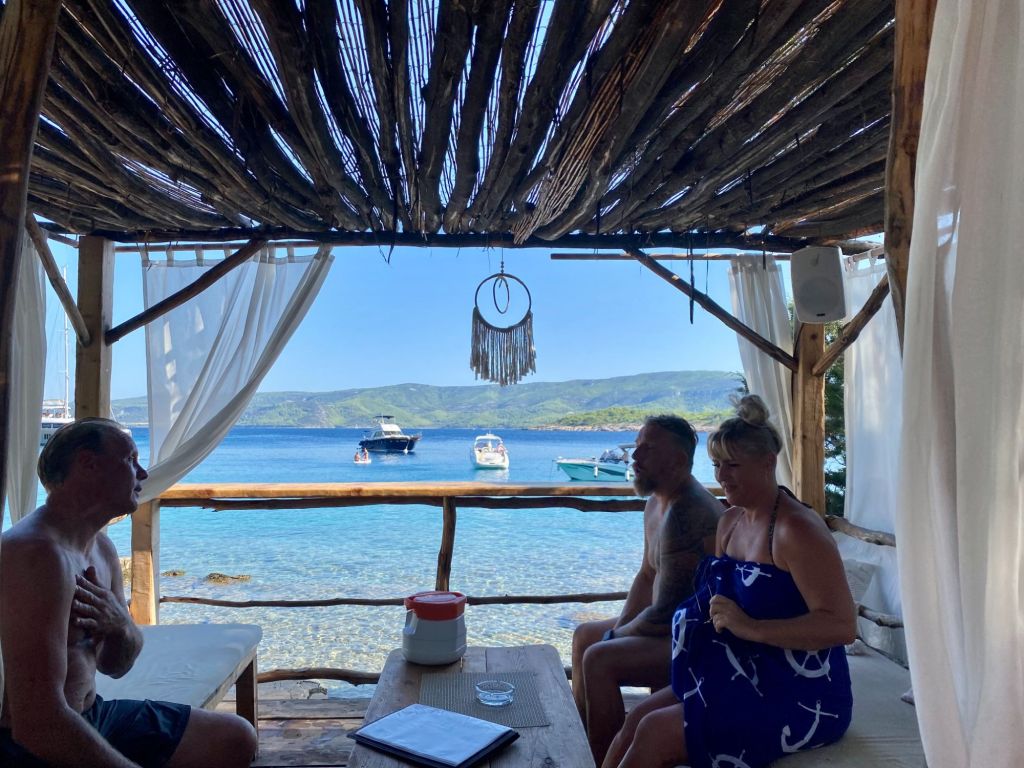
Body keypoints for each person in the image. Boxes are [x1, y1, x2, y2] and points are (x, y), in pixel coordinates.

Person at [604, 396, 856, 768]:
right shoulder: (730, 522)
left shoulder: (796, 530)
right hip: (739, 671)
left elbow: (842, 625)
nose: (722, 476)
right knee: (637, 720)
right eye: (717, 465)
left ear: (768, 463)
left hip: (797, 690)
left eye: (733, 465)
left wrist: (752, 628)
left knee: (655, 731)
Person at [0, 418, 257, 768]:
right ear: (88, 464)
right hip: (30, 744)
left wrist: (120, 625)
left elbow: (115, 666)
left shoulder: (101, 549)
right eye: (131, 460)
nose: (143, 474)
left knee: (235, 738)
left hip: (93, 713)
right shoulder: (36, 556)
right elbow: (35, 724)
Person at [572, 414, 722, 766]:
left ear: (678, 461)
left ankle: (603, 758)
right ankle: (582, 744)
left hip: (697, 641)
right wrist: (618, 628)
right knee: (584, 636)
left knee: (599, 658)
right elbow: (645, 576)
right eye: (637, 446)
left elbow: (665, 615)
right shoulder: (656, 502)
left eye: (648, 449)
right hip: (670, 628)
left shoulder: (688, 513)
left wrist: (614, 637)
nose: (635, 456)